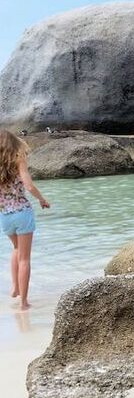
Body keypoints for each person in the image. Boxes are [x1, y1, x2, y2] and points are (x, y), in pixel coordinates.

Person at [0, 131, 49, 309]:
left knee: (16, 249)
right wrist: (42, 199)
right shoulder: (19, 160)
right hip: (22, 213)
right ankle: (24, 303)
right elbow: (28, 185)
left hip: (4, 215)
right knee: (25, 259)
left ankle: (15, 289)